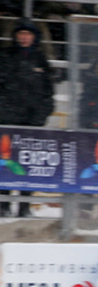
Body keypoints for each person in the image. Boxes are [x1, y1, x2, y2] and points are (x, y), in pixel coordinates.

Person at [0, 17, 55, 218]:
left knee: (28, 164)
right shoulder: (5, 57)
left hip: (31, 124)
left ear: (34, 37)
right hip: (6, 121)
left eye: (28, 34)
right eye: (21, 34)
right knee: (5, 162)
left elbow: (48, 94)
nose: (24, 38)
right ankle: (3, 204)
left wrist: (38, 118)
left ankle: (25, 206)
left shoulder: (40, 60)